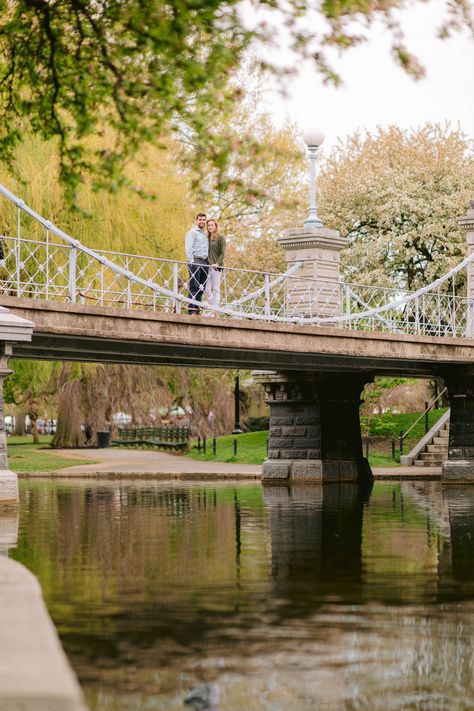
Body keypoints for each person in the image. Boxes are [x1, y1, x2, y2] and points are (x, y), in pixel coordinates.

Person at [185, 212, 209, 315]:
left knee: (201, 287)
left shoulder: (205, 234)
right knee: (194, 287)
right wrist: (191, 262)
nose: (202, 221)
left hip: (205, 263)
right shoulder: (192, 232)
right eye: (200, 219)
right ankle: (191, 311)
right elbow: (188, 248)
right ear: (196, 221)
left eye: (204, 220)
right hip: (195, 261)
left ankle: (197, 310)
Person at [204, 218, 226, 312]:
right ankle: (215, 309)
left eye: (212, 225)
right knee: (206, 289)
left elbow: (223, 253)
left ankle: (213, 310)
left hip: (216, 267)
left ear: (216, 226)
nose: (210, 227)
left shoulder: (220, 238)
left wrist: (217, 263)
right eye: (208, 225)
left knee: (216, 289)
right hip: (207, 266)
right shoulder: (207, 238)